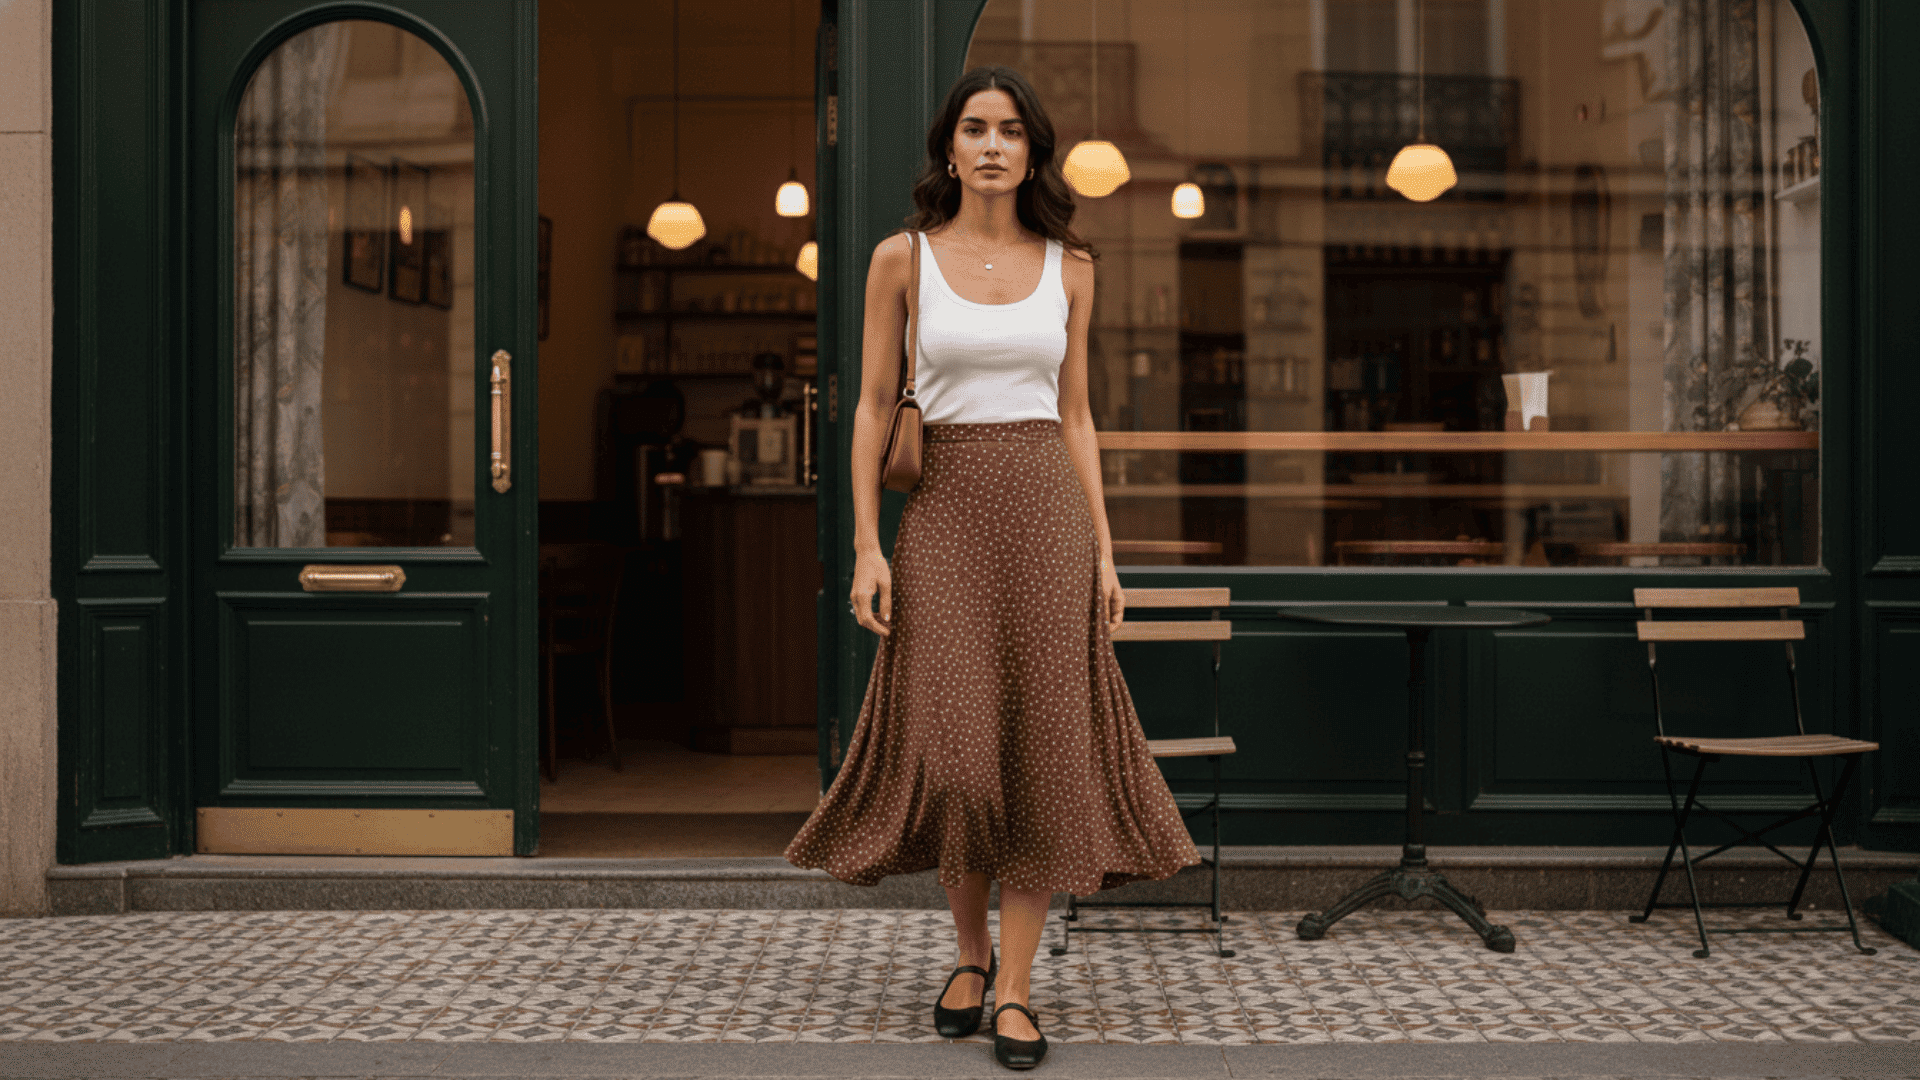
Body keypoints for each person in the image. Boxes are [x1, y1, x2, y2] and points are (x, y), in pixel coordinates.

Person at [783, 65, 1200, 1071]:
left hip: (1048, 518)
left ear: (1032, 150)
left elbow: (1078, 415)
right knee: (963, 762)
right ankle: (966, 957)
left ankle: (1012, 986)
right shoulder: (901, 260)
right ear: (951, 147)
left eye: (1012, 131)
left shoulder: (1074, 266)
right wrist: (866, 547)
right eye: (975, 128)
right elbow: (874, 408)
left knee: (1039, 760)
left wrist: (1103, 550)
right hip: (944, 520)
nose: (993, 146)